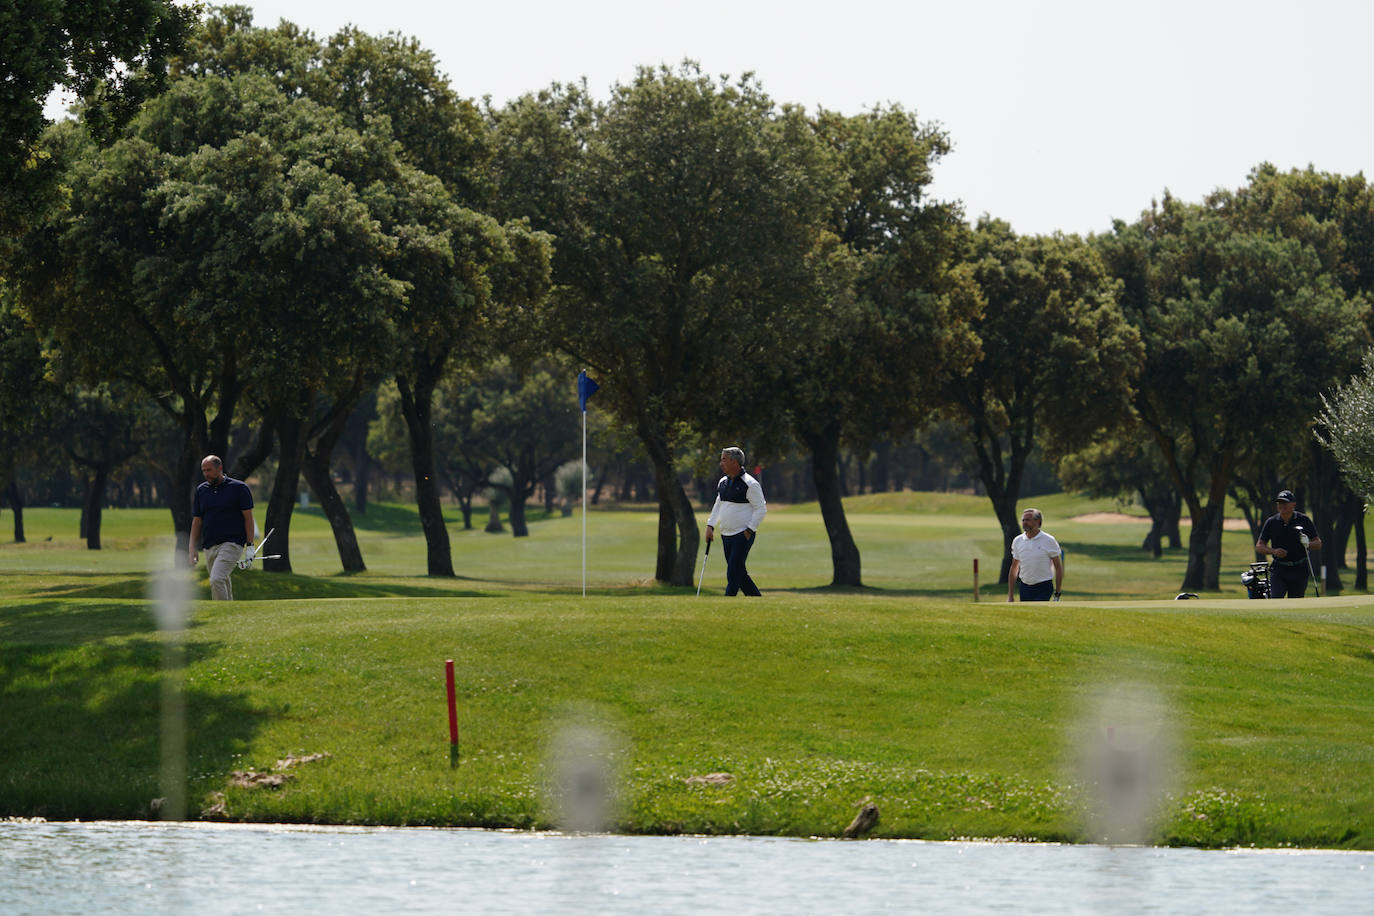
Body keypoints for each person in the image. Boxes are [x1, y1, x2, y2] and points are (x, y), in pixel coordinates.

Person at [188, 455, 256, 601]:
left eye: (209, 470)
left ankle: (220, 613)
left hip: (232, 543)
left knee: (216, 579)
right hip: (209, 545)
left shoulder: (239, 488)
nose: (206, 474)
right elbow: (197, 521)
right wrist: (192, 547)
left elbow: (248, 519)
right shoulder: (201, 490)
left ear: (220, 468)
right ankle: (229, 612)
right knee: (222, 580)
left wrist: (250, 546)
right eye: (203, 470)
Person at [704, 446, 767, 596]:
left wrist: (749, 529)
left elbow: (761, 508)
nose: (721, 463)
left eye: (724, 459)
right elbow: (718, 504)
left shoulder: (750, 484)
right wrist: (710, 525)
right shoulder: (723, 482)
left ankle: (728, 600)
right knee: (739, 572)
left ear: (734, 462)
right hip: (726, 534)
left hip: (742, 534)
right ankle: (756, 599)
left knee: (733, 572)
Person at [1255, 489, 1322, 598]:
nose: (1282, 505)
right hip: (1279, 570)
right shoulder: (1271, 522)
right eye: (1280, 503)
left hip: (1299, 569)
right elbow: (1259, 546)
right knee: (1276, 599)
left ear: (1293, 504)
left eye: (1285, 502)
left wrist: (1308, 544)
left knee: (1296, 602)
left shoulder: (1303, 519)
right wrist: (1274, 551)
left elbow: (1318, 543)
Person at [1007, 507, 1063, 602]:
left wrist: (1057, 593)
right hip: (1024, 587)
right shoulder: (1018, 541)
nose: (1024, 522)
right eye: (1023, 520)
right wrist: (1010, 596)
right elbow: (1014, 568)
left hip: (1044, 587)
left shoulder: (1049, 540)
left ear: (1038, 522)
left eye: (1028, 520)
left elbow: (1058, 568)